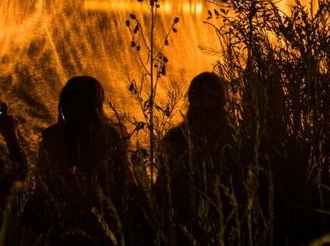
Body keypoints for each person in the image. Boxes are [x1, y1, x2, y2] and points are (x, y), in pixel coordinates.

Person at [30, 75, 134, 241]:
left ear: (64, 105)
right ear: (98, 105)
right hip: (107, 230)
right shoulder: (113, 136)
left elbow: (41, 188)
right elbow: (128, 184)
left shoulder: (51, 139)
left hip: (62, 231)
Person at [154, 71, 238, 242]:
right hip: (223, 225)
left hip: (181, 226)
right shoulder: (233, 138)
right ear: (223, 101)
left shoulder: (174, 138)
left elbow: (162, 189)